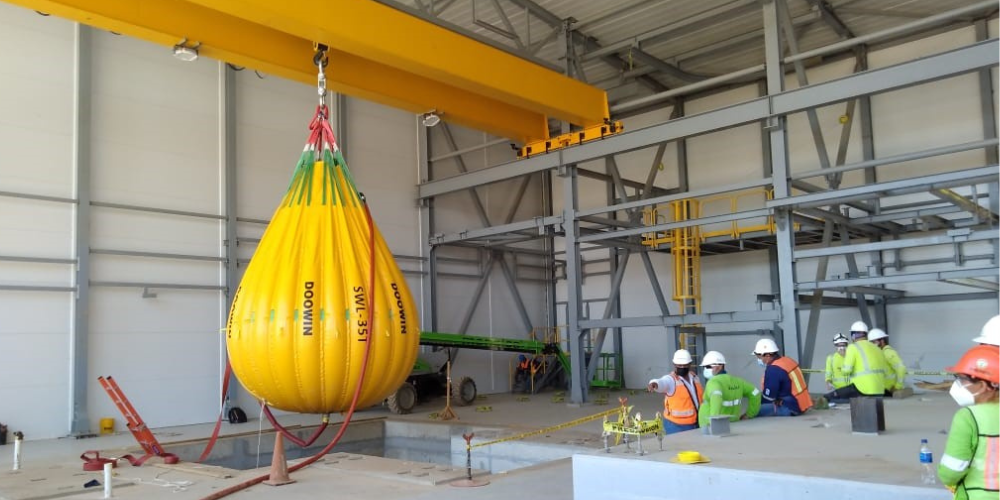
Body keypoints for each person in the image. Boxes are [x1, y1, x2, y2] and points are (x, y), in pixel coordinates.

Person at [937, 343, 999, 499]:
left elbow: (951, 472)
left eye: (963, 379)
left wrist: (948, 479)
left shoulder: (968, 417)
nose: (959, 385)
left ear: (984, 386)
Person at [823, 321, 888, 402]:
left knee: (829, 397)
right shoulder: (877, 348)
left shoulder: (853, 347)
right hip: (880, 390)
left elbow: (846, 371)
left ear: (853, 335)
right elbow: (885, 370)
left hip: (862, 389)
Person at [698, 350, 761, 427]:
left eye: (708, 367)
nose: (705, 369)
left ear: (720, 366)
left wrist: (713, 423)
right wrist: (750, 414)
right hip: (733, 424)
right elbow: (756, 393)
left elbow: (716, 398)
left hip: (710, 427)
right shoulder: (737, 382)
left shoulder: (713, 382)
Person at [647, 349, 703, 434]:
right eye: (679, 365)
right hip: (676, 426)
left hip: (696, 422)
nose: (682, 367)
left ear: (690, 364)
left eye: (685, 365)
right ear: (674, 365)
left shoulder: (695, 377)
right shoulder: (671, 380)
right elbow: (662, 382)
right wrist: (655, 384)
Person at [753, 338, 813, 416]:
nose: (758, 359)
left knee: (753, 410)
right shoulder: (787, 360)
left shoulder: (774, 369)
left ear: (767, 355)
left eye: (759, 357)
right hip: (803, 404)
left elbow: (768, 398)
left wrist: (755, 402)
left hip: (790, 407)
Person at [868, 327, 907, 395]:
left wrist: (897, 387)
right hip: (882, 389)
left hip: (890, 390)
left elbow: (901, 369)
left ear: (882, 341)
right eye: (871, 342)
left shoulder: (888, 352)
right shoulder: (880, 353)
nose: (872, 345)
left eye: (874, 342)